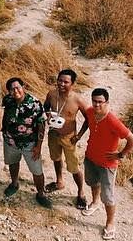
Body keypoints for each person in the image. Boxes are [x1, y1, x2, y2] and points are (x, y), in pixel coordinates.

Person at [78, 87, 133, 240]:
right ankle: (94, 202)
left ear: (106, 102)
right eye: (94, 101)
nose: (97, 105)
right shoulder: (91, 111)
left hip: (107, 164)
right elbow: (87, 121)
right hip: (90, 157)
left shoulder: (112, 120)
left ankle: (110, 223)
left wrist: (120, 154)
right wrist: (80, 135)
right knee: (92, 182)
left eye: (100, 102)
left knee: (108, 196)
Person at [0, 77, 52, 207]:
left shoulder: (34, 103)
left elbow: (41, 125)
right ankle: (14, 184)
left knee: (37, 170)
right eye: (12, 89)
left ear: (23, 87)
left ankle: (40, 194)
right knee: (13, 163)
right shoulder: (7, 100)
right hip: (10, 141)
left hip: (30, 144)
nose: (15, 90)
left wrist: (38, 146)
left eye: (17, 87)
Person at [43, 68, 90, 209]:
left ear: (72, 84)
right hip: (53, 133)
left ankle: (81, 193)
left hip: (69, 138)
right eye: (60, 80)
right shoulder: (51, 94)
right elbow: (46, 106)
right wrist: (48, 116)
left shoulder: (77, 99)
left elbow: (89, 118)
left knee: (74, 166)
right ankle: (59, 182)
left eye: (66, 82)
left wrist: (79, 135)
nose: (62, 84)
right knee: (56, 159)